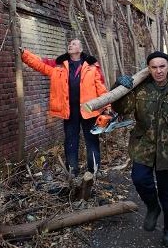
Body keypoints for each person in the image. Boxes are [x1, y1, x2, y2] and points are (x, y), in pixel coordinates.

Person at [112, 51, 168, 248]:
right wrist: (119, 86)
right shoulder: (141, 88)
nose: (158, 71)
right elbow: (122, 109)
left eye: (162, 66)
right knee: (139, 179)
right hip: (143, 145)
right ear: (148, 69)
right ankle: (152, 207)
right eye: (154, 67)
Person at [20, 39, 109, 176]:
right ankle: (72, 172)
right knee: (70, 141)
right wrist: (25, 54)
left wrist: (107, 106)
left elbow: (101, 88)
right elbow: (39, 64)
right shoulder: (59, 65)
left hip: (89, 111)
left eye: (74, 44)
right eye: (69, 44)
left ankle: (94, 171)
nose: (70, 45)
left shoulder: (92, 66)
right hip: (69, 112)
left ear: (80, 49)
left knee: (92, 141)